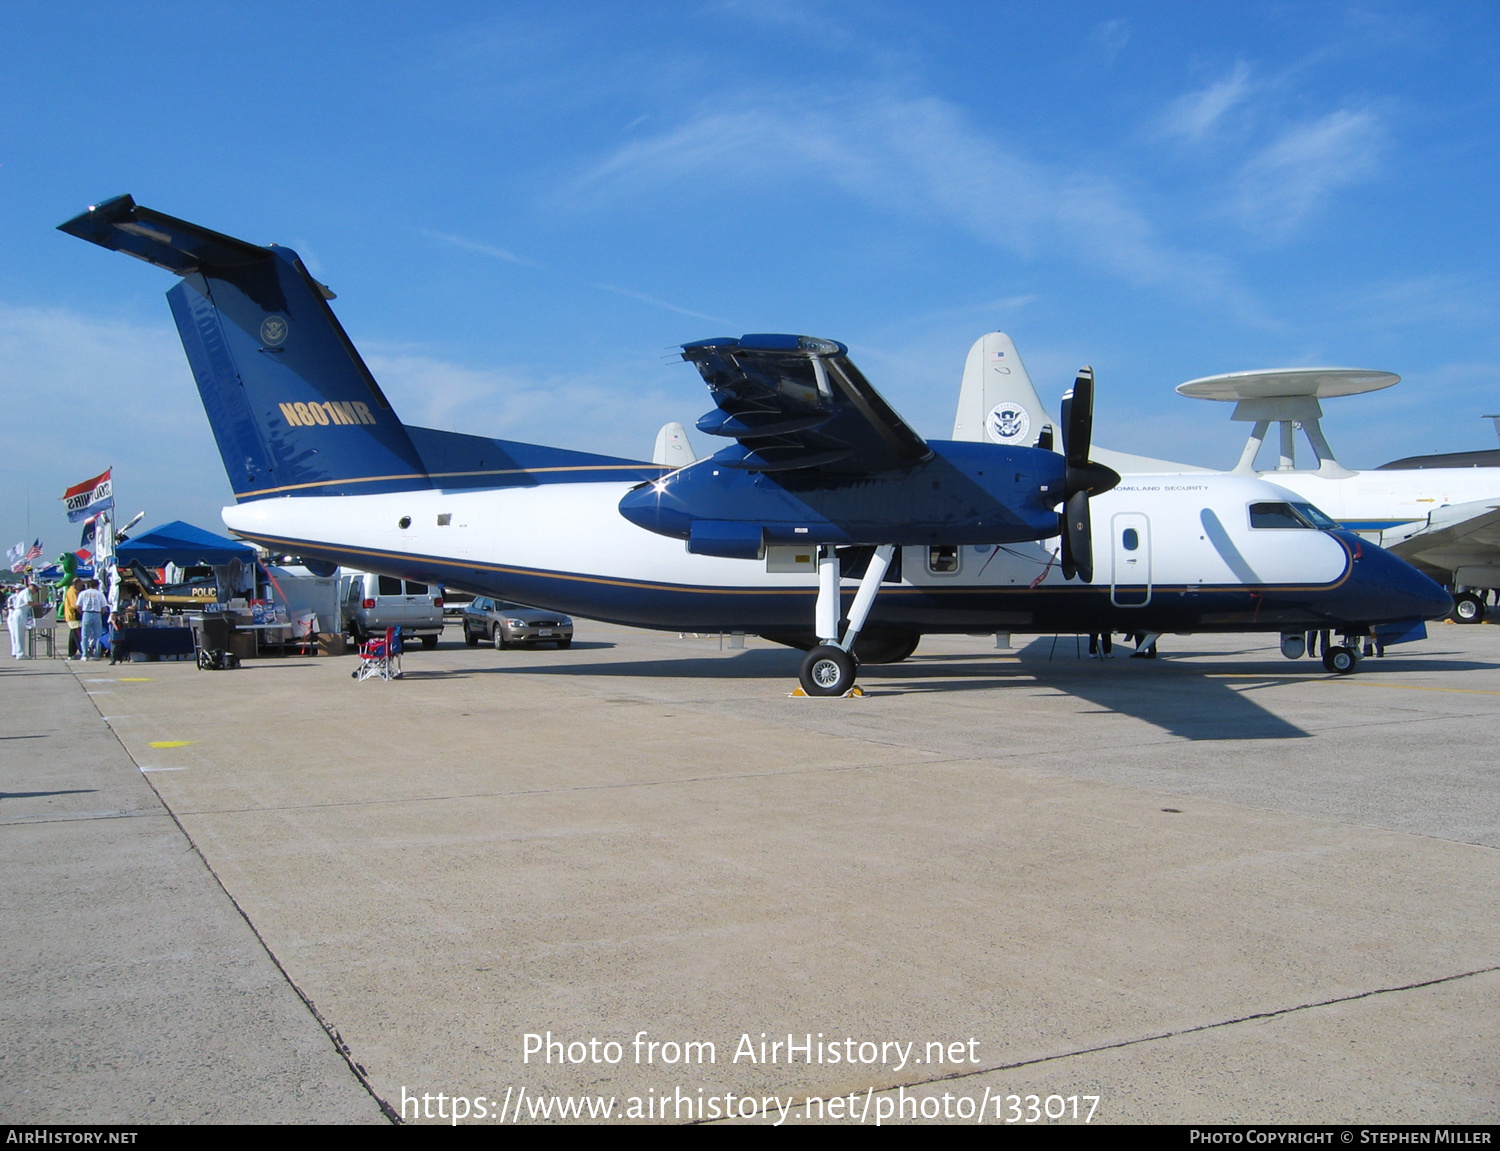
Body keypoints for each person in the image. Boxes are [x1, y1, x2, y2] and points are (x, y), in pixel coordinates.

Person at [77, 579, 108, 660]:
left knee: (85, 636)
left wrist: (82, 613)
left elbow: (78, 606)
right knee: (98, 636)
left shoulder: (83, 593)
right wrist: (100, 613)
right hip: (97, 613)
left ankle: (85, 654)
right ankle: (96, 654)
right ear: (97, 586)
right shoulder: (99, 594)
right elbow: (104, 607)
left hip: (86, 613)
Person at [6, 586, 26, 659]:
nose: (18, 591)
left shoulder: (22, 596)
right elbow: (10, 606)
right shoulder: (12, 597)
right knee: (13, 634)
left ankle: (17, 650)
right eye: (17, 589)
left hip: (19, 615)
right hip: (12, 615)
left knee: (18, 634)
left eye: (20, 589)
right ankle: (14, 651)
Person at [63, 578, 81, 659]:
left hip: (71, 616)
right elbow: (75, 605)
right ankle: (81, 651)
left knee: (73, 635)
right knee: (77, 635)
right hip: (73, 616)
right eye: (80, 584)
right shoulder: (73, 591)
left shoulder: (72, 590)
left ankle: (72, 653)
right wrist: (81, 611)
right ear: (77, 583)